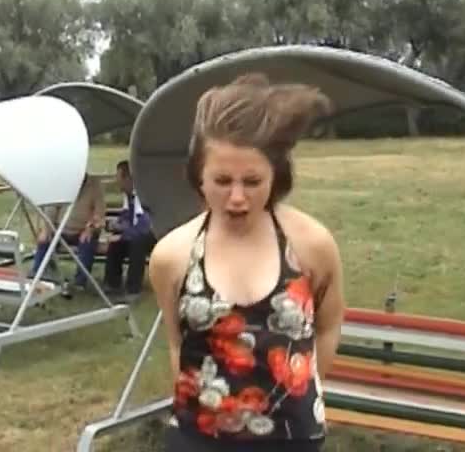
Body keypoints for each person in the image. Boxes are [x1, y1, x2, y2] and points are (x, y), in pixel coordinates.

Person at [148, 73, 345, 451]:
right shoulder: (171, 257)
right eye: (222, 181)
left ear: (276, 177)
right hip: (198, 438)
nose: (237, 197)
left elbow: (328, 326)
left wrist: (297, 391)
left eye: (252, 181)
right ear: (198, 178)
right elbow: (177, 344)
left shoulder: (312, 246)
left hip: (292, 437)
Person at [31, 173, 105, 292]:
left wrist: (90, 228)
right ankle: (36, 276)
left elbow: (99, 213)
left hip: (82, 230)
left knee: (87, 242)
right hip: (61, 230)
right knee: (45, 240)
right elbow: (52, 208)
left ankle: (80, 282)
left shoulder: (94, 186)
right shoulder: (63, 183)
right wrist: (47, 229)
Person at [103, 160, 155, 300]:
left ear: (128, 178)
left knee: (137, 243)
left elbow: (144, 226)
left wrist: (122, 235)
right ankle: (112, 284)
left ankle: (133, 289)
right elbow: (127, 216)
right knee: (116, 243)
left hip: (155, 234)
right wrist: (116, 225)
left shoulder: (143, 194)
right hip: (137, 232)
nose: (116, 181)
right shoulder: (128, 195)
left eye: (118, 177)